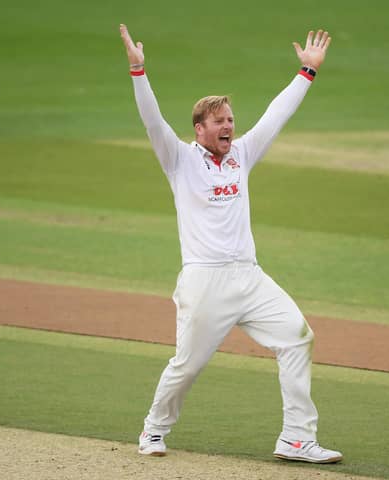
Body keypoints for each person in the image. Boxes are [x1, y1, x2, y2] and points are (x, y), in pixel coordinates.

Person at [119, 23, 342, 464]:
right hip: (205, 280)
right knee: (188, 365)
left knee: (298, 339)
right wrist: (138, 71)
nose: (229, 126)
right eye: (220, 121)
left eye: (231, 120)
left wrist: (306, 72)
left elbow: (276, 115)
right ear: (199, 129)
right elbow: (152, 121)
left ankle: (296, 439)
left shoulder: (241, 153)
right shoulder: (179, 159)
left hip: (250, 277)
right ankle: (154, 428)